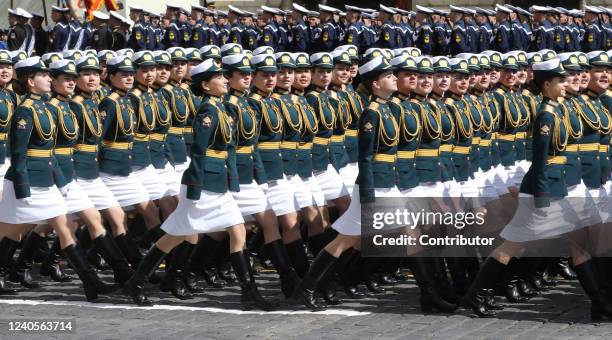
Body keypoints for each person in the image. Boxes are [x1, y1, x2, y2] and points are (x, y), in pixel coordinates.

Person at [123, 59, 275, 311]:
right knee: (174, 236)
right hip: (204, 184)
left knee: (236, 231)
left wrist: (230, 180)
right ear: (205, 85)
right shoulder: (207, 112)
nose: (225, 80)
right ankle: (136, 282)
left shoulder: (221, 109)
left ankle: (249, 292)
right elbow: (199, 152)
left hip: (217, 183)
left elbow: (227, 149)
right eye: (219, 78)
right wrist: (195, 188)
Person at [0, 56, 117, 301]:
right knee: (11, 231)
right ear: (31, 81)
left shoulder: (45, 107)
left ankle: (90, 282)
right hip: (28, 180)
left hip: (46, 178)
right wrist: (22, 187)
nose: (49, 79)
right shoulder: (25, 110)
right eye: (44, 76)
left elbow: (51, 150)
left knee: (64, 227)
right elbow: (19, 153)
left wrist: (60, 180)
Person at [293, 55, 402, 311]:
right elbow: (365, 158)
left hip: (386, 182)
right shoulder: (371, 113)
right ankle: (311, 286)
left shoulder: (386, 108)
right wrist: (367, 191)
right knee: (346, 240)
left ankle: (330, 280)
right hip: (374, 185)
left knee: (354, 240)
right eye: (389, 76)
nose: (394, 78)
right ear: (375, 84)